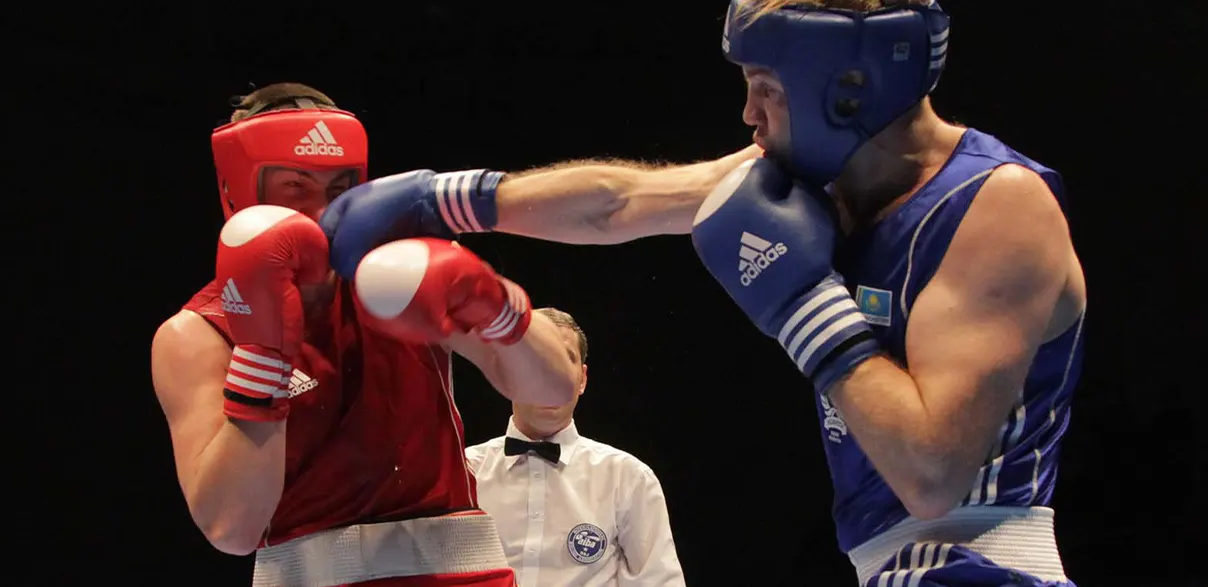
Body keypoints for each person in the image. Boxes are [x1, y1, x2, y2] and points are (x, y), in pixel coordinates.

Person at [320, 1, 1086, 585]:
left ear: (844, 89)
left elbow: (930, 473)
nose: (748, 114)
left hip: (985, 562)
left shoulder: (994, 205)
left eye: (764, 88)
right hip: (888, 565)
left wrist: (803, 304)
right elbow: (621, 201)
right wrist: (444, 199)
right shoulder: (811, 182)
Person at [148, 82, 584, 587]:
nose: (320, 212)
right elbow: (231, 528)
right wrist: (262, 354)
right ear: (237, 192)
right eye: (294, 188)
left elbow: (550, 389)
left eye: (339, 190)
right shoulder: (198, 332)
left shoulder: (399, 277)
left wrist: (494, 297)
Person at [463, 308, 687, 587]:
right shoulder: (463, 473)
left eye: (565, 358)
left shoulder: (628, 478)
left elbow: (659, 582)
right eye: (536, 358)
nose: (550, 373)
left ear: (582, 379)